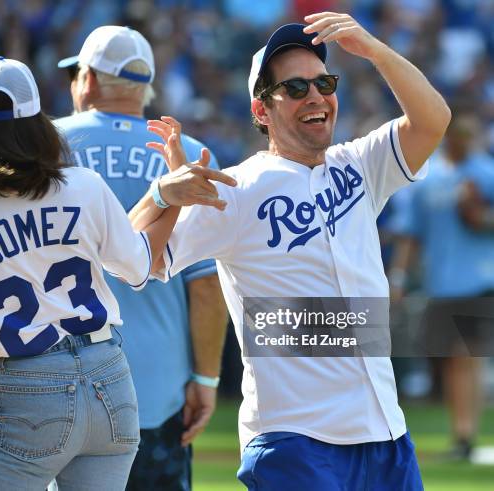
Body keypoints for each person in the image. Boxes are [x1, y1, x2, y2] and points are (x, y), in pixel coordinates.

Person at [129, 12, 451, 491]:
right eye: (296, 88)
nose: (316, 95)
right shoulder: (237, 188)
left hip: (384, 431)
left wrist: (375, 50)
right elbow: (135, 257)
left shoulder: (360, 163)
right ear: (262, 111)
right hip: (296, 439)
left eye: (324, 82)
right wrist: (163, 196)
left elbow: (433, 120)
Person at [0, 56, 235, 490]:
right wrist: (165, 196)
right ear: (38, 124)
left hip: (24, 386)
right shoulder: (84, 185)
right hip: (109, 380)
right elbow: (138, 266)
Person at [55, 26, 228, 490]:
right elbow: (207, 286)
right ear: (145, 87)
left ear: (87, 80)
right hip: (157, 392)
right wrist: (205, 379)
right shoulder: (188, 154)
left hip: (60, 384)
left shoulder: (44, 146)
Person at [390, 111, 494, 460]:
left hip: (481, 277)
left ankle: (466, 436)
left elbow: (484, 221)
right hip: (441, 282)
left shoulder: (486, 172)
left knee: (466, 355)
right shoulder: (428, 178)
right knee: (451, 360)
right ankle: (462, 436)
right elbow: (411, 234)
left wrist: (480, 216)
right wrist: (399, 276)